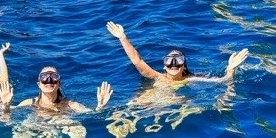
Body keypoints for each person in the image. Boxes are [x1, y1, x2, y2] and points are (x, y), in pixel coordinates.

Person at [105, 21, 249, 84]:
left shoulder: (190, 80)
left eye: (178, 60)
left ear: (184, 66)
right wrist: (122, 37)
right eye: (169, 60)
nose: (173, 64)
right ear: (164, 66)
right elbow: (137, 61)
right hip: (148, 106)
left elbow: (223, 81)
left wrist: (230, 69)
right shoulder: (157, 77)